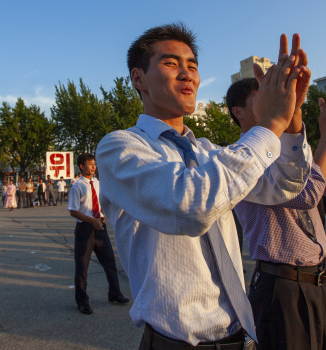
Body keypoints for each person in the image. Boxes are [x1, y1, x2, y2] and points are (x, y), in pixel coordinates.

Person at [96, 23, 312, 349]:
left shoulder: (209, 151)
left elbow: (284, 185)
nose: (187, 74)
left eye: (192, 66)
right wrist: (269, 125)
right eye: (171, 64)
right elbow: (191, 207)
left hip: (241, 335)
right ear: (138, 78)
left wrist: (292, 119)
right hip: (176, 342)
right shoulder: (119, 148)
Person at [229, 80, 326, 349]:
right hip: (283, 284)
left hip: (319, 278)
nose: (279, 103)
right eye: (264, 97)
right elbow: (306, 194)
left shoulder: (292, 152)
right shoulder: (239, 158)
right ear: (238, 111)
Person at [67, 153, 129, 315]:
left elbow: (99, 201)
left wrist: (102, 214)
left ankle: (115, 293)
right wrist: (91, 220)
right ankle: (82, 302)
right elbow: (73, 211)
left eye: (94, 164)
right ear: (82, 166)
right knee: (82, 267)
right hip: (85, 230)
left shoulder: (98, 183)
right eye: (90, 164)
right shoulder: (77, 186)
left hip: (99, 228)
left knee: (110, 262)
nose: (94, 166)